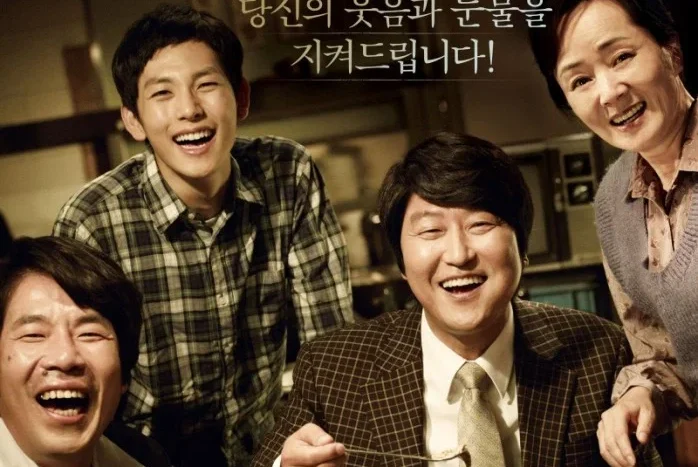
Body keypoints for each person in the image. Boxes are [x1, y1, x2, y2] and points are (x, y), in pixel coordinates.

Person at [52, 4, 353, 466]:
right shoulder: (92, 220)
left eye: (206, 85)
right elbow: (82, 381)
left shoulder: (287, 174)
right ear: (133, 120)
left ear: (242, 98)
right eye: (163, 93)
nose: (189, 110)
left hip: (269, 450)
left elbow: (331, 347)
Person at [250, 132, 662, 467]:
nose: (459, 254)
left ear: (522, 247)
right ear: (402, 261)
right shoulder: (332, 368)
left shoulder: (600, 352)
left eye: (480, 224)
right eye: (431, 231)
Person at [529, 0, 698, 465]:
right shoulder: (613, 201)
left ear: (671, 51)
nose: (608, 92)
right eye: (580, 80)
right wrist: (643, 395)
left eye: (621, 57)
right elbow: (663, 354)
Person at [0, 236, 168, 467]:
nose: (65, 357)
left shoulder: (145, 458)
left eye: (90, 334)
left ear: (124, 376)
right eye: (34, 334)